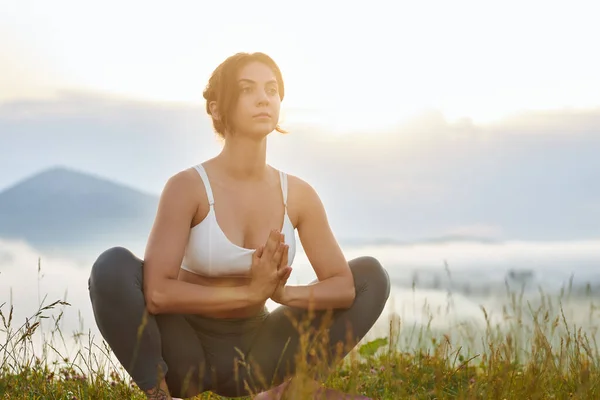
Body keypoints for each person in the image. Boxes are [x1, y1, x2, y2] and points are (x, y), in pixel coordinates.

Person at [88, 52, 391, 400]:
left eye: (272, 89)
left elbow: (345, 289)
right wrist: (250, 293)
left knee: (371, 276)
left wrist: (281, 294)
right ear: (217, 109)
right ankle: (158, 393)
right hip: (186, 352)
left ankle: (290, 392)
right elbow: (157, 294)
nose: (264, 98)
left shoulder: (299, 195)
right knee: (111, 267)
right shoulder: (187, 187)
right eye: (248, 89)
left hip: (260, 355)